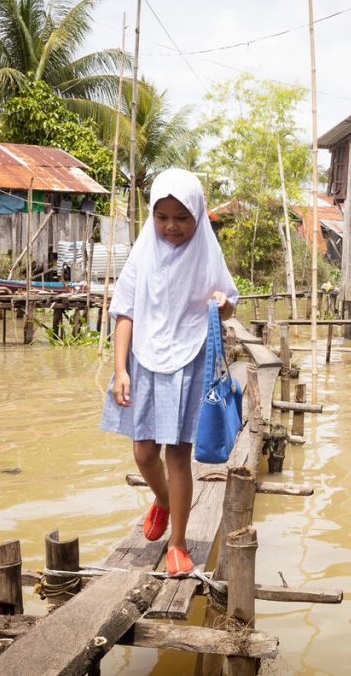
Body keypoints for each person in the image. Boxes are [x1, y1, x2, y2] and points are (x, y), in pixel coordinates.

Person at [101, 168, 238, 575]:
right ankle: (161, 499)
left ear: (197, 215)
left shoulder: (207, 252)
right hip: (144, 356)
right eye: (163, 217)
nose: (172, 227)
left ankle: (178, 543)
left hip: (189, 354)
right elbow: (124, 312)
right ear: (151, 217)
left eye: (182, 217)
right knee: (144, 451)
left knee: (178, 453)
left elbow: (229, 301)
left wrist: (221, 302)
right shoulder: (143, 252)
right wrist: (120, 369)